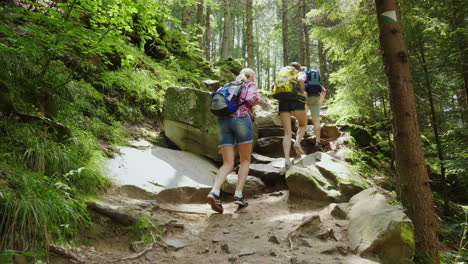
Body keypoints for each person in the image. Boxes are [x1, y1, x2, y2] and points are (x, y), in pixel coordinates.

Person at [207, 68, 259, 214]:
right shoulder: (249, 84)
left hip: (223, 122)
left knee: (228, 163)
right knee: (245, 160)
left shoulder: (227, 85)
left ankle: (215, 191)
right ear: (252, 77)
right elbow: (251, 99)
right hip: (241, 120)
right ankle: (238, 195)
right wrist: (258, 99)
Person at [277, 62, 308, 170]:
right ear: (298, 69)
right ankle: (297, 142)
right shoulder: (300, 73)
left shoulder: (283, 74)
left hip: (283, 102)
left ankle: (286, 160)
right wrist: (303, 91)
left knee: (287, 133)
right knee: (303, 124)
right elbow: (301, 83)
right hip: (297, 102)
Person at [304, 67, 327, 151]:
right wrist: (320, 103)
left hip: (305, 98)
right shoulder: (317, 83)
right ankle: (317, 142)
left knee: (303, 118)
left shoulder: (303, 79)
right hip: (316, 98)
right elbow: (324, 91)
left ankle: (301, 137)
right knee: (316, 121)